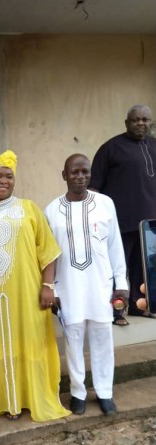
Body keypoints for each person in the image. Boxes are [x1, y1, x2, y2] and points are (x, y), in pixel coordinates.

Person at [0, 150, 71, 422]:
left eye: (9, 176)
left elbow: (48, 251)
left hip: (28, 291)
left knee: (31, 341)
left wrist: (48, 285)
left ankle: (33, 397)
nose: (4, 181)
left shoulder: (29, 208)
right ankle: (8, 402)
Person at [45, 154, 129, 416]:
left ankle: (105, 392)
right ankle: (78, 393)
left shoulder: (105, 204)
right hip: (68, 287)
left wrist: (121, 283)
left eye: (85, 172)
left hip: (100, 285)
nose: (80, 177)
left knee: (102, 339)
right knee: (73, 341)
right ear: (64, 175)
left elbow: (115, 245)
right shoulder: (51, 210)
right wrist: (52, 289)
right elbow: (48, 255)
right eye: (74, 172)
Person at [90, 104, 156, 324]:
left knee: (143, 268)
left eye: (145, 120)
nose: (141, 123)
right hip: (119, 222)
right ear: (127, 122)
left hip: (149, 224)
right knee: (117, 270)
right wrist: (94, 218)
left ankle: (138, 306)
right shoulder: (111, 148)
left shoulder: (154, 145)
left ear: (150, 122)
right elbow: (94, 187)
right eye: (136, 120)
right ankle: (115, 312)